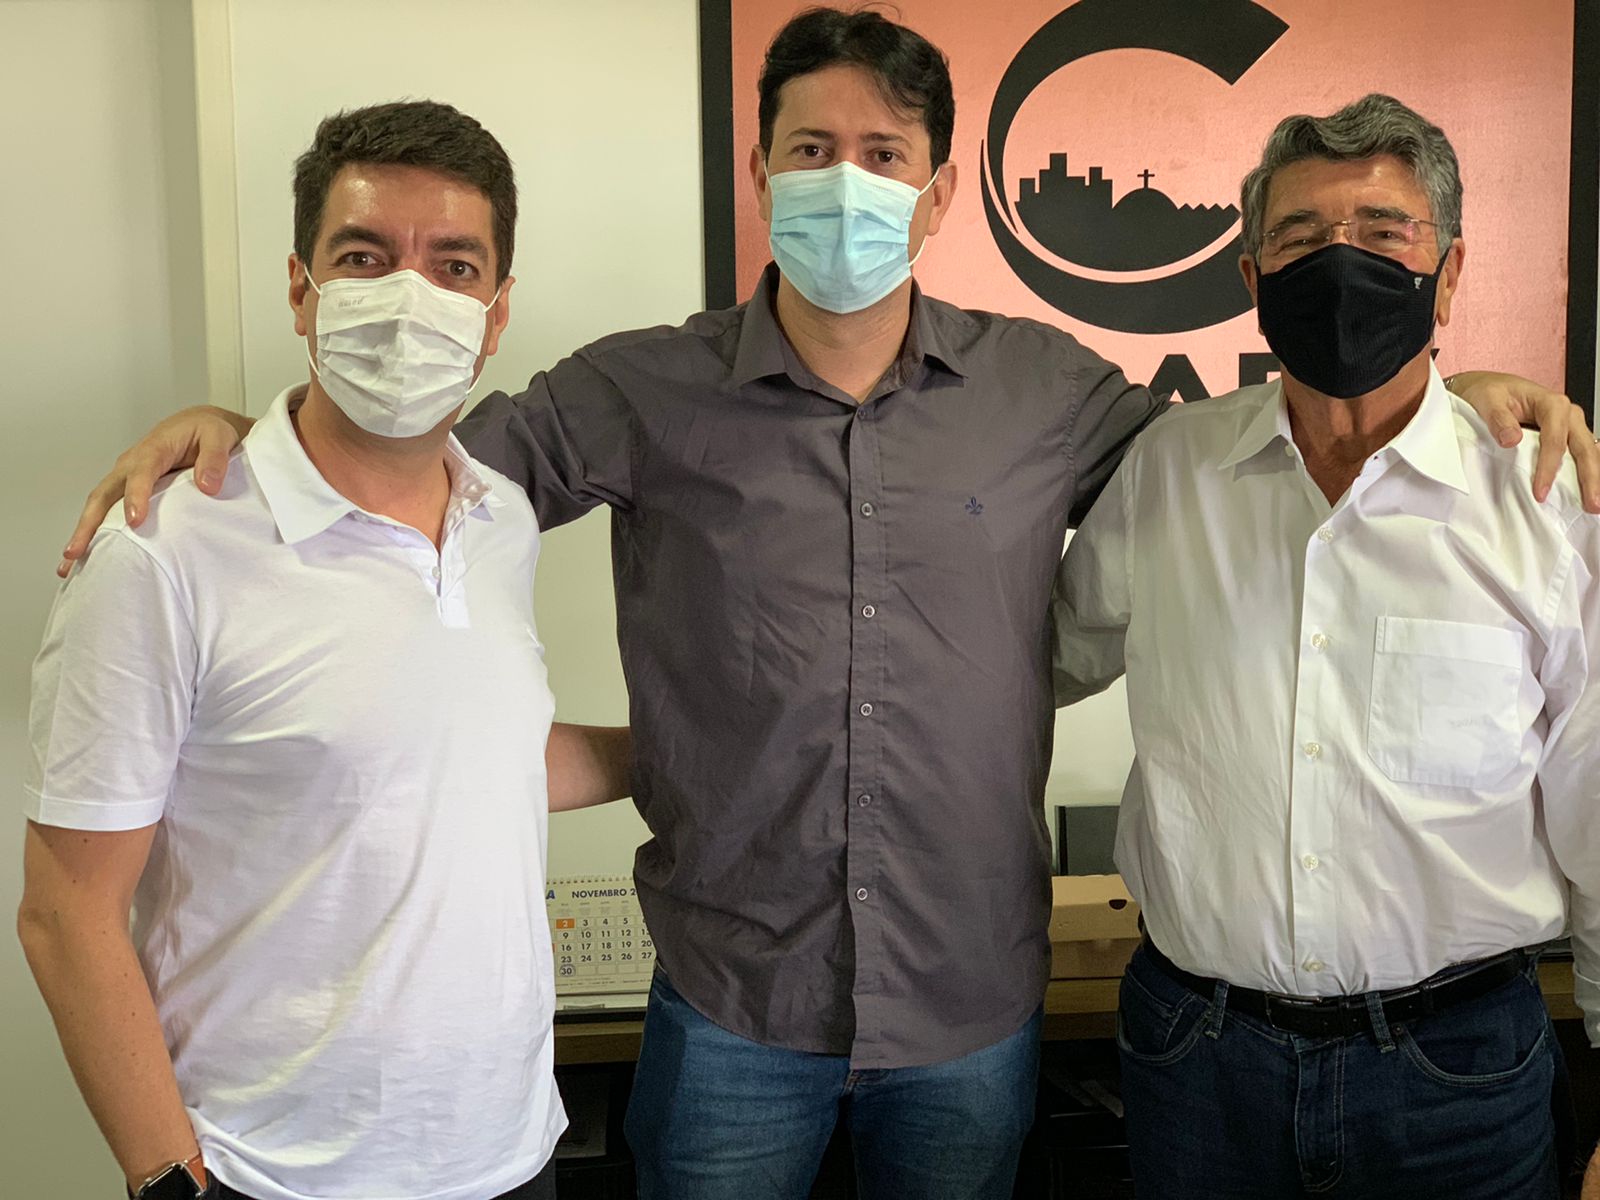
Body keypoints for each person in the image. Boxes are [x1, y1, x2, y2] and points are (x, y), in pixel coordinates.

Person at [57, 11, 1600, 1199]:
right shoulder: (639, 391)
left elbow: (1261, 453)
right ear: (760, 174)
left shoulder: (1053, 393)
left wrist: (1457, 394)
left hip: (971, 1007)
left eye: (882, 153)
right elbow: (407, 460)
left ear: (938, 193)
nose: (844, 182)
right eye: (810, 148)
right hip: (732, 1000)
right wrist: (237, 435)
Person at [19, 101, 630, 1200]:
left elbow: (456, 752)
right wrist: (171, 1180)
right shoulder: (167, 549)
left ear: (495, 314)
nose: (409, 297)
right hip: (270, 1174)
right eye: (365, 257)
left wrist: (683, 752)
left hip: (508, 1155)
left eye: (454, 266)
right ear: (301, 289)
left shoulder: (499, 521)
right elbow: (65, 911)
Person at [1051, 93, 1600, 1199]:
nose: (1340, 263)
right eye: (1300, 239)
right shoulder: (1168, 473)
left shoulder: (1545, 502)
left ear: (1447, 273)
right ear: (1254, 280)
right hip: (1199, 1062)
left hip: (1458, 1071)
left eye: (1383, 233)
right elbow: (1028, 665)